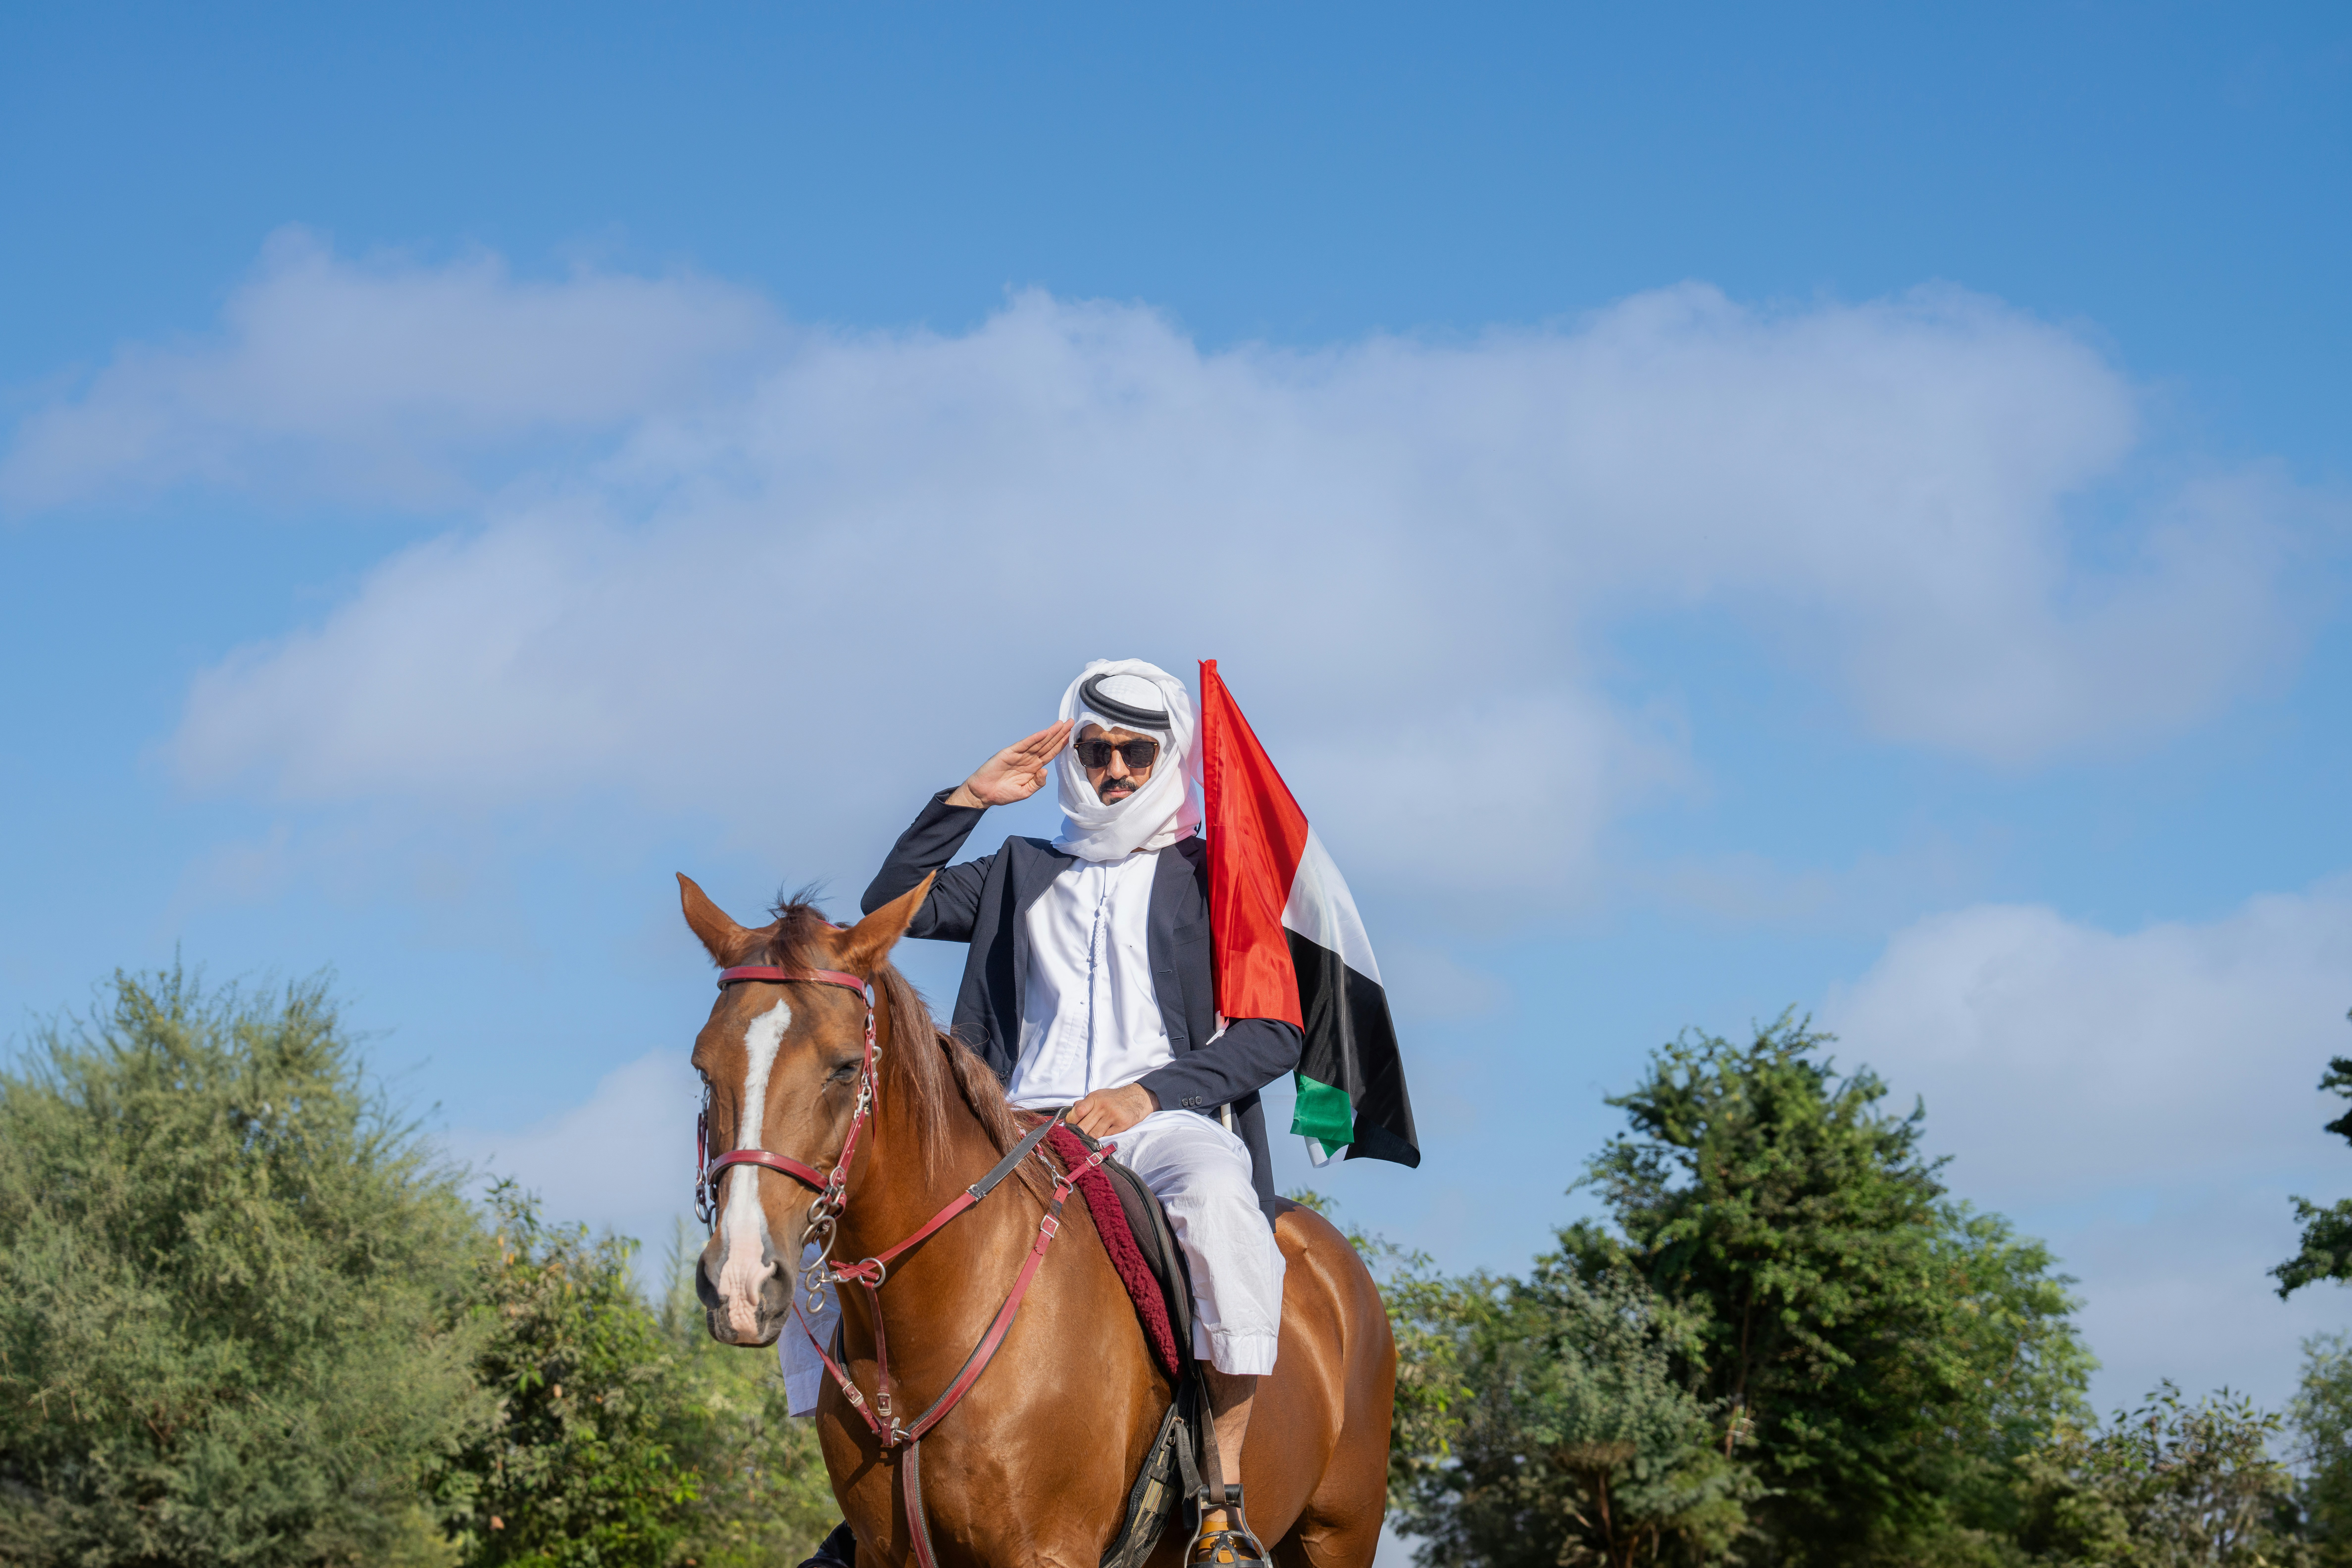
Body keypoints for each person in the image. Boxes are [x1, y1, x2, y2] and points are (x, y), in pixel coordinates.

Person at [793, 658, 1300, 1568]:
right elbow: (882, 911)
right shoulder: (1019, 869)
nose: (1114, 772)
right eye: (1099, 751)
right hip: (1014, 1121)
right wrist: (969, 799)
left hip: (1161, 1119)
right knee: (827, 1240)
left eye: (1136, 755)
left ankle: (1221, 1501)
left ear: (1169, 757)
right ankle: (862, 1505)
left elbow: (1273, 1036)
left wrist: (1150, 1092)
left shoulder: (1214, 875)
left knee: (1222, 1206)